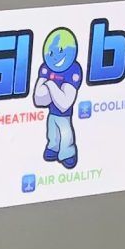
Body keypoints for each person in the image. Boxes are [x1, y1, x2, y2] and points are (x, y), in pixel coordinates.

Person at [33, 25, 83, 169]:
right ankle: (53, 147)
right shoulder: (46, 67)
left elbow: (64, 103)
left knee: (65, 131)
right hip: (52, 113)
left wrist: (50, 84)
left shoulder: (74, 69)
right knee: (52, 130)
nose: (55, 57)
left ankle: (68, 153)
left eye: (60, 50)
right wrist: (53, 87)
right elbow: (39, 98)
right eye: (51, 52)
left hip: (64, 115)